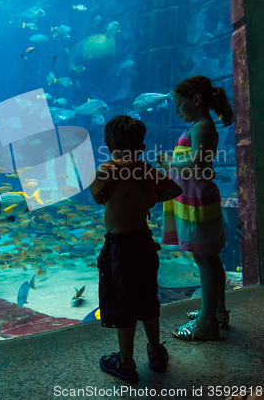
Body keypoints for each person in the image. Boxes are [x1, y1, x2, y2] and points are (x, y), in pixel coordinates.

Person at [90, 115, 182, 382]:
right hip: (144, 244)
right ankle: (155, 352)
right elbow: (175, 189)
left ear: (108, 146)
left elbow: (97, 195)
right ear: (141, 147)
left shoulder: (107, 170)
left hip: (119, 248)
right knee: (147, 301)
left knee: (123, 305)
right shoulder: (147, 171)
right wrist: (150, 196)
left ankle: (126, 363)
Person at [157, 76, 234, 341]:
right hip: (194, 199)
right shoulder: (200, 126)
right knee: (210, 258)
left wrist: (169, 163)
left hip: (196, 202)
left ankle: (206, 322)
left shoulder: (201, 127)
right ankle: (215, 310)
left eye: (179, 104)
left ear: (196, 99)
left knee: (204, 259)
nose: (177, 110)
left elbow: (198, 165)